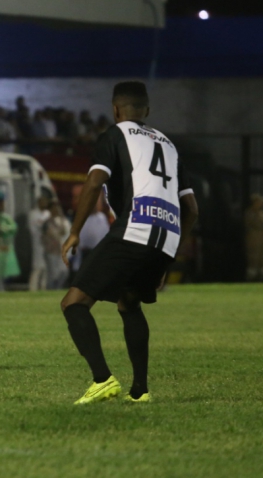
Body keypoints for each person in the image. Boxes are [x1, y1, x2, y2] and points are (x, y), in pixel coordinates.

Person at [60, 81, 198, 404]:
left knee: (73, 303)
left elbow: (95, 181)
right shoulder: (170, 145)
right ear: (146, 111)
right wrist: (170, 255)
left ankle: (102, 379)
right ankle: (141, 390)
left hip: (134, 228)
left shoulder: (115, 134)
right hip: (166, 235)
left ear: (115, 110)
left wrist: (75, 231)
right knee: (129, 302)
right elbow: (191, 209)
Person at [244, 194, 263, 281]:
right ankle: (251, 278)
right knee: (253, 259)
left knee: (262, 259)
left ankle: (261, 278)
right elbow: (252, 224)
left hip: (262, 240)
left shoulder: (261, 213)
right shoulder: (249, 213)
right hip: (253, 239)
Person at [44, 202, 71, 289]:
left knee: (64, 272)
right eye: (54, 208)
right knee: (52, 275)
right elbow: (52, 234)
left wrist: (62, 217)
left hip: (60, 252)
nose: (56, 210)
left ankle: (57, 288)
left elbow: (64, 232)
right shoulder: (47, 222)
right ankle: (50, 290)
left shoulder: (62, 221)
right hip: (51, 251)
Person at [28, 197, 50, 291]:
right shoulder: (33, 213)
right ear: (38, 203)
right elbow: (38, 225)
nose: (44, 204)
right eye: (42, 202)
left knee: (46, 267)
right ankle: (33, 287)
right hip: (37, 241)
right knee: (38, 265)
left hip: (47, 242)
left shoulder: (46, 213)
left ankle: (43, 286)